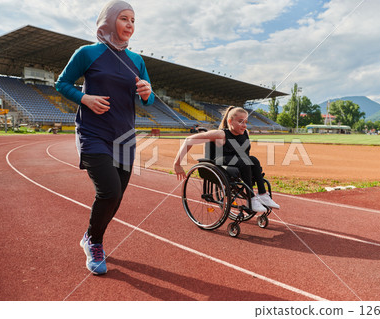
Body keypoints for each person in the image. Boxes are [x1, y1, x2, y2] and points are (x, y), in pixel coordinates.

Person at [55, 0, 154, 275]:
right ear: (109, 21)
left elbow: (149, 99)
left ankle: (90, 236)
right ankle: (95, 242)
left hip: (124, 137)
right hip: (93, 133)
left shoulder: (137, 60)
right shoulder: (87, 53)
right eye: (124, 18)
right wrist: (84, 98)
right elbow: (61, 83)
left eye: (133, 20)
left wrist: (147, 93)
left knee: (117, 196)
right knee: (108, 191)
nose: (130, 24)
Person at [173, 106, 279, 212]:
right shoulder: (221, 134)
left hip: (239, 163)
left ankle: (263, 194)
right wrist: (177, 164)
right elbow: (189, 140)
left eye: (246, 122)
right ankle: (251, 199)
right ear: (230, 121)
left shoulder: (245, 132)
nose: (244, 125)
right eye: (240, 122)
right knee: (245, 161)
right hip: (220, 161)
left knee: (254, 160)